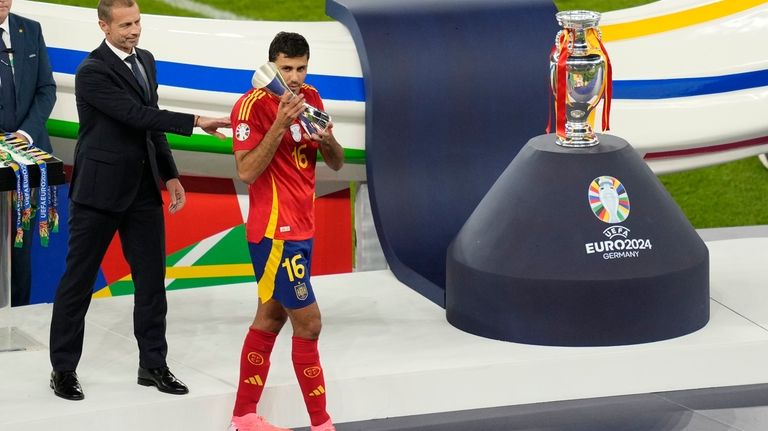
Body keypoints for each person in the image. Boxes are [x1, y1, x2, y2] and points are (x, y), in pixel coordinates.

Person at [48, 0, 229, 401]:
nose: (134, 31)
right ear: (103, 26)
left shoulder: (145, 59)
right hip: (98, 194)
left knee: (151, 284)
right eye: (125, 24)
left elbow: (150, 124)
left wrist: (170, 174)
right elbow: (136, 115)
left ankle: (153, 365)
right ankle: (63, 370)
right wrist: (197, 122)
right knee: (77, 284)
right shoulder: (91, 72)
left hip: (143, 192)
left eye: (138, 22)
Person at [228, 32, 343, 431]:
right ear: (272, 65)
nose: (294, 77)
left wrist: (326, 138)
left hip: (303, 230)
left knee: (270, 318)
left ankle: (244, 416)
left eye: (301, 68)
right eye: (286, 68)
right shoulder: (250, 106)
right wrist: (280, 124)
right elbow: (246, 171)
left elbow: (337, 162)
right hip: (275, 234)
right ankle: (321, 423)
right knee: (309, 323)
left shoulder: (311, 97)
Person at [0, 0, 57, 307]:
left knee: (20, 248)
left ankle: (16, 317)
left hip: (27, 158)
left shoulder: (29, 30)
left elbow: (46, 88)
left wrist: (22, 137)